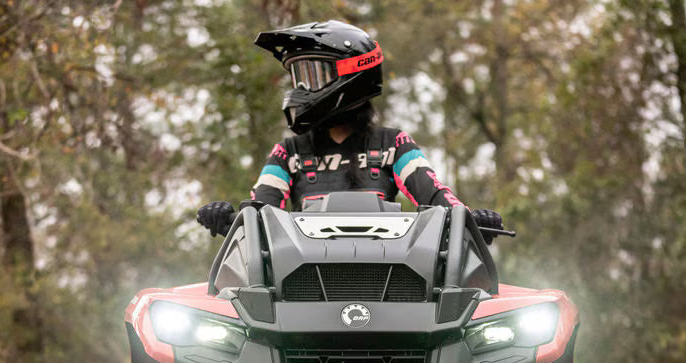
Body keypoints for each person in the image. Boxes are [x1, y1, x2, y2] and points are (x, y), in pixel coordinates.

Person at [197, 20, 502, 236]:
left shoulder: (393, 144)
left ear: (353, 75)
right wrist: (228, 219)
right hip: (298, 282)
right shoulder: (287, 151)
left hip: (392, 275)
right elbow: (259, 212)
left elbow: (437, 198)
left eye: (313, 75)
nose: (303, 88)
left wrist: (472, 220)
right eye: (299, 78)